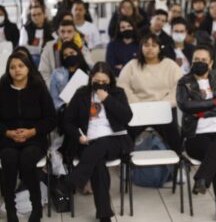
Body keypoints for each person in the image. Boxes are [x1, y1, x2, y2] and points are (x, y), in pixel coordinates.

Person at [63, 62, 133, 222]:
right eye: (97, 81)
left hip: (115, 140)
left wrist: (107, 99)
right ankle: (104, 214)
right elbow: (67, 121)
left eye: (104, 81)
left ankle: (77, 177)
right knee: (98, 164)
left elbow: (127, 117)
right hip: (87, 142)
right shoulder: (81, 94)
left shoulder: (118, 93)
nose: (100, 84)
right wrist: (78, 136)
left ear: (110, 81)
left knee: (101, 144)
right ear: (91, 79)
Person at [176, 45, 216, 222]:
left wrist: (205, 111)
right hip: (196, 136)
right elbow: (185, 106)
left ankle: (202, 178)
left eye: (203, 60)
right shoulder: (184, 82)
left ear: (210, 63)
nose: (199, 63)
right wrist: (215, 102)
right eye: (196, 60)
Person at [0, 52, 56, 222]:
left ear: (28, 68)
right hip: (8, 138)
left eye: (20, 66)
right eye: (12, 67)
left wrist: (32, 131)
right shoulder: (2, 89)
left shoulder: (39, 88)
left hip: (35, 138)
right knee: (9, 159)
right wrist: (7, 132)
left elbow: (51, 119)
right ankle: (11, 209)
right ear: (8, 70)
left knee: (26, 159)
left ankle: (36, 207)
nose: (16, 70)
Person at [117, 33, 182, 153]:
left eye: (154, 45)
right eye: (146, 45)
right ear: (141, 48)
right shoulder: (132, 65)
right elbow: (122, 86)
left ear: (159, 48)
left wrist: (161, 105)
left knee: (173, 135)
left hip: (164, 109)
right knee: (127, 134)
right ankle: (126, 161)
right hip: (138, 109)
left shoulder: (170, 65)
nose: (150, 48)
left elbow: (178, 88)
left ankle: (177, 161)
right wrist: (138, 103)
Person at [39, 19, 93, 86]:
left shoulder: (82, 47)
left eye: (69, 32)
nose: (66, 35)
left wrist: (80, 49)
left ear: (75, 33)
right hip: (55, 87)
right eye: (62, 32)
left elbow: (90, 68)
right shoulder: (49, 48)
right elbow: (43, 73)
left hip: (79, 87)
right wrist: (53, 88)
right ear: (58, 32)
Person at [50, 41, 90, 110]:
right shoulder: (56, 73)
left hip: (85, 109)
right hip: (66, 110)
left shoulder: (88, 70)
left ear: (77, 52)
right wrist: (64, 106)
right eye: (65, 55)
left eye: (71, 53)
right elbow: (54, 98)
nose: (69, 56)